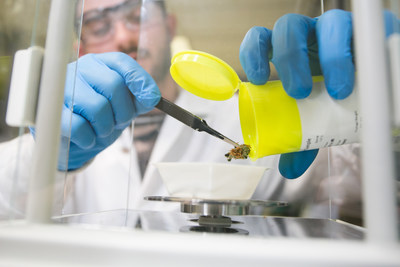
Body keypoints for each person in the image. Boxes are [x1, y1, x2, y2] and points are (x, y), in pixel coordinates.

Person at [0, 0, 368, 227]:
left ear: (170, 25)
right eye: (99, 26)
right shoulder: (69, 119)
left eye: (136, 15)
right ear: (83, 47)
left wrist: (368, 100)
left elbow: (361, 182)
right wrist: (51, 153)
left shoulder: (240, 116)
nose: (126, 38)